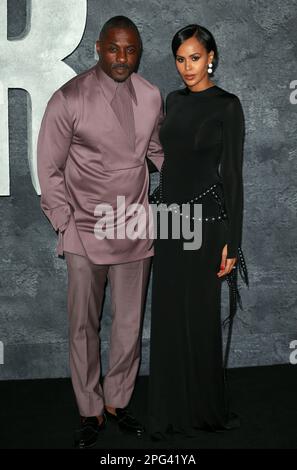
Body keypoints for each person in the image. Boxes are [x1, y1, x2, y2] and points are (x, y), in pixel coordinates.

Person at [37, 15, 164, 448]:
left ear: (138, 52)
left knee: (128, 324)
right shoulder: (68, 98)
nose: (122, 58)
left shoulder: (150, 96)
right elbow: (49, 169)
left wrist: (199, 178)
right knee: (82, 327)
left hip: (134, 227)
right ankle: (90, 410)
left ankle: (117, 402)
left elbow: (156, 151)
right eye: (114, 48)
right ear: (97, 47)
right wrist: (64, 222)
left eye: (130, 50)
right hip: (84, 230)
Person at [148, 24, 248, 439]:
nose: (187, 67)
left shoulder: (227, 106)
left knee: (201, 319)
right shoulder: (172, 100)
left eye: (194, 57)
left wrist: (233, 241)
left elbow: (234, 178)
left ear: (211, 57)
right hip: (171, 222)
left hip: (207, 227)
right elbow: (171, 162)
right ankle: (170, 410)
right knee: (169, 317)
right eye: (180, 58)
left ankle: (204, 410)